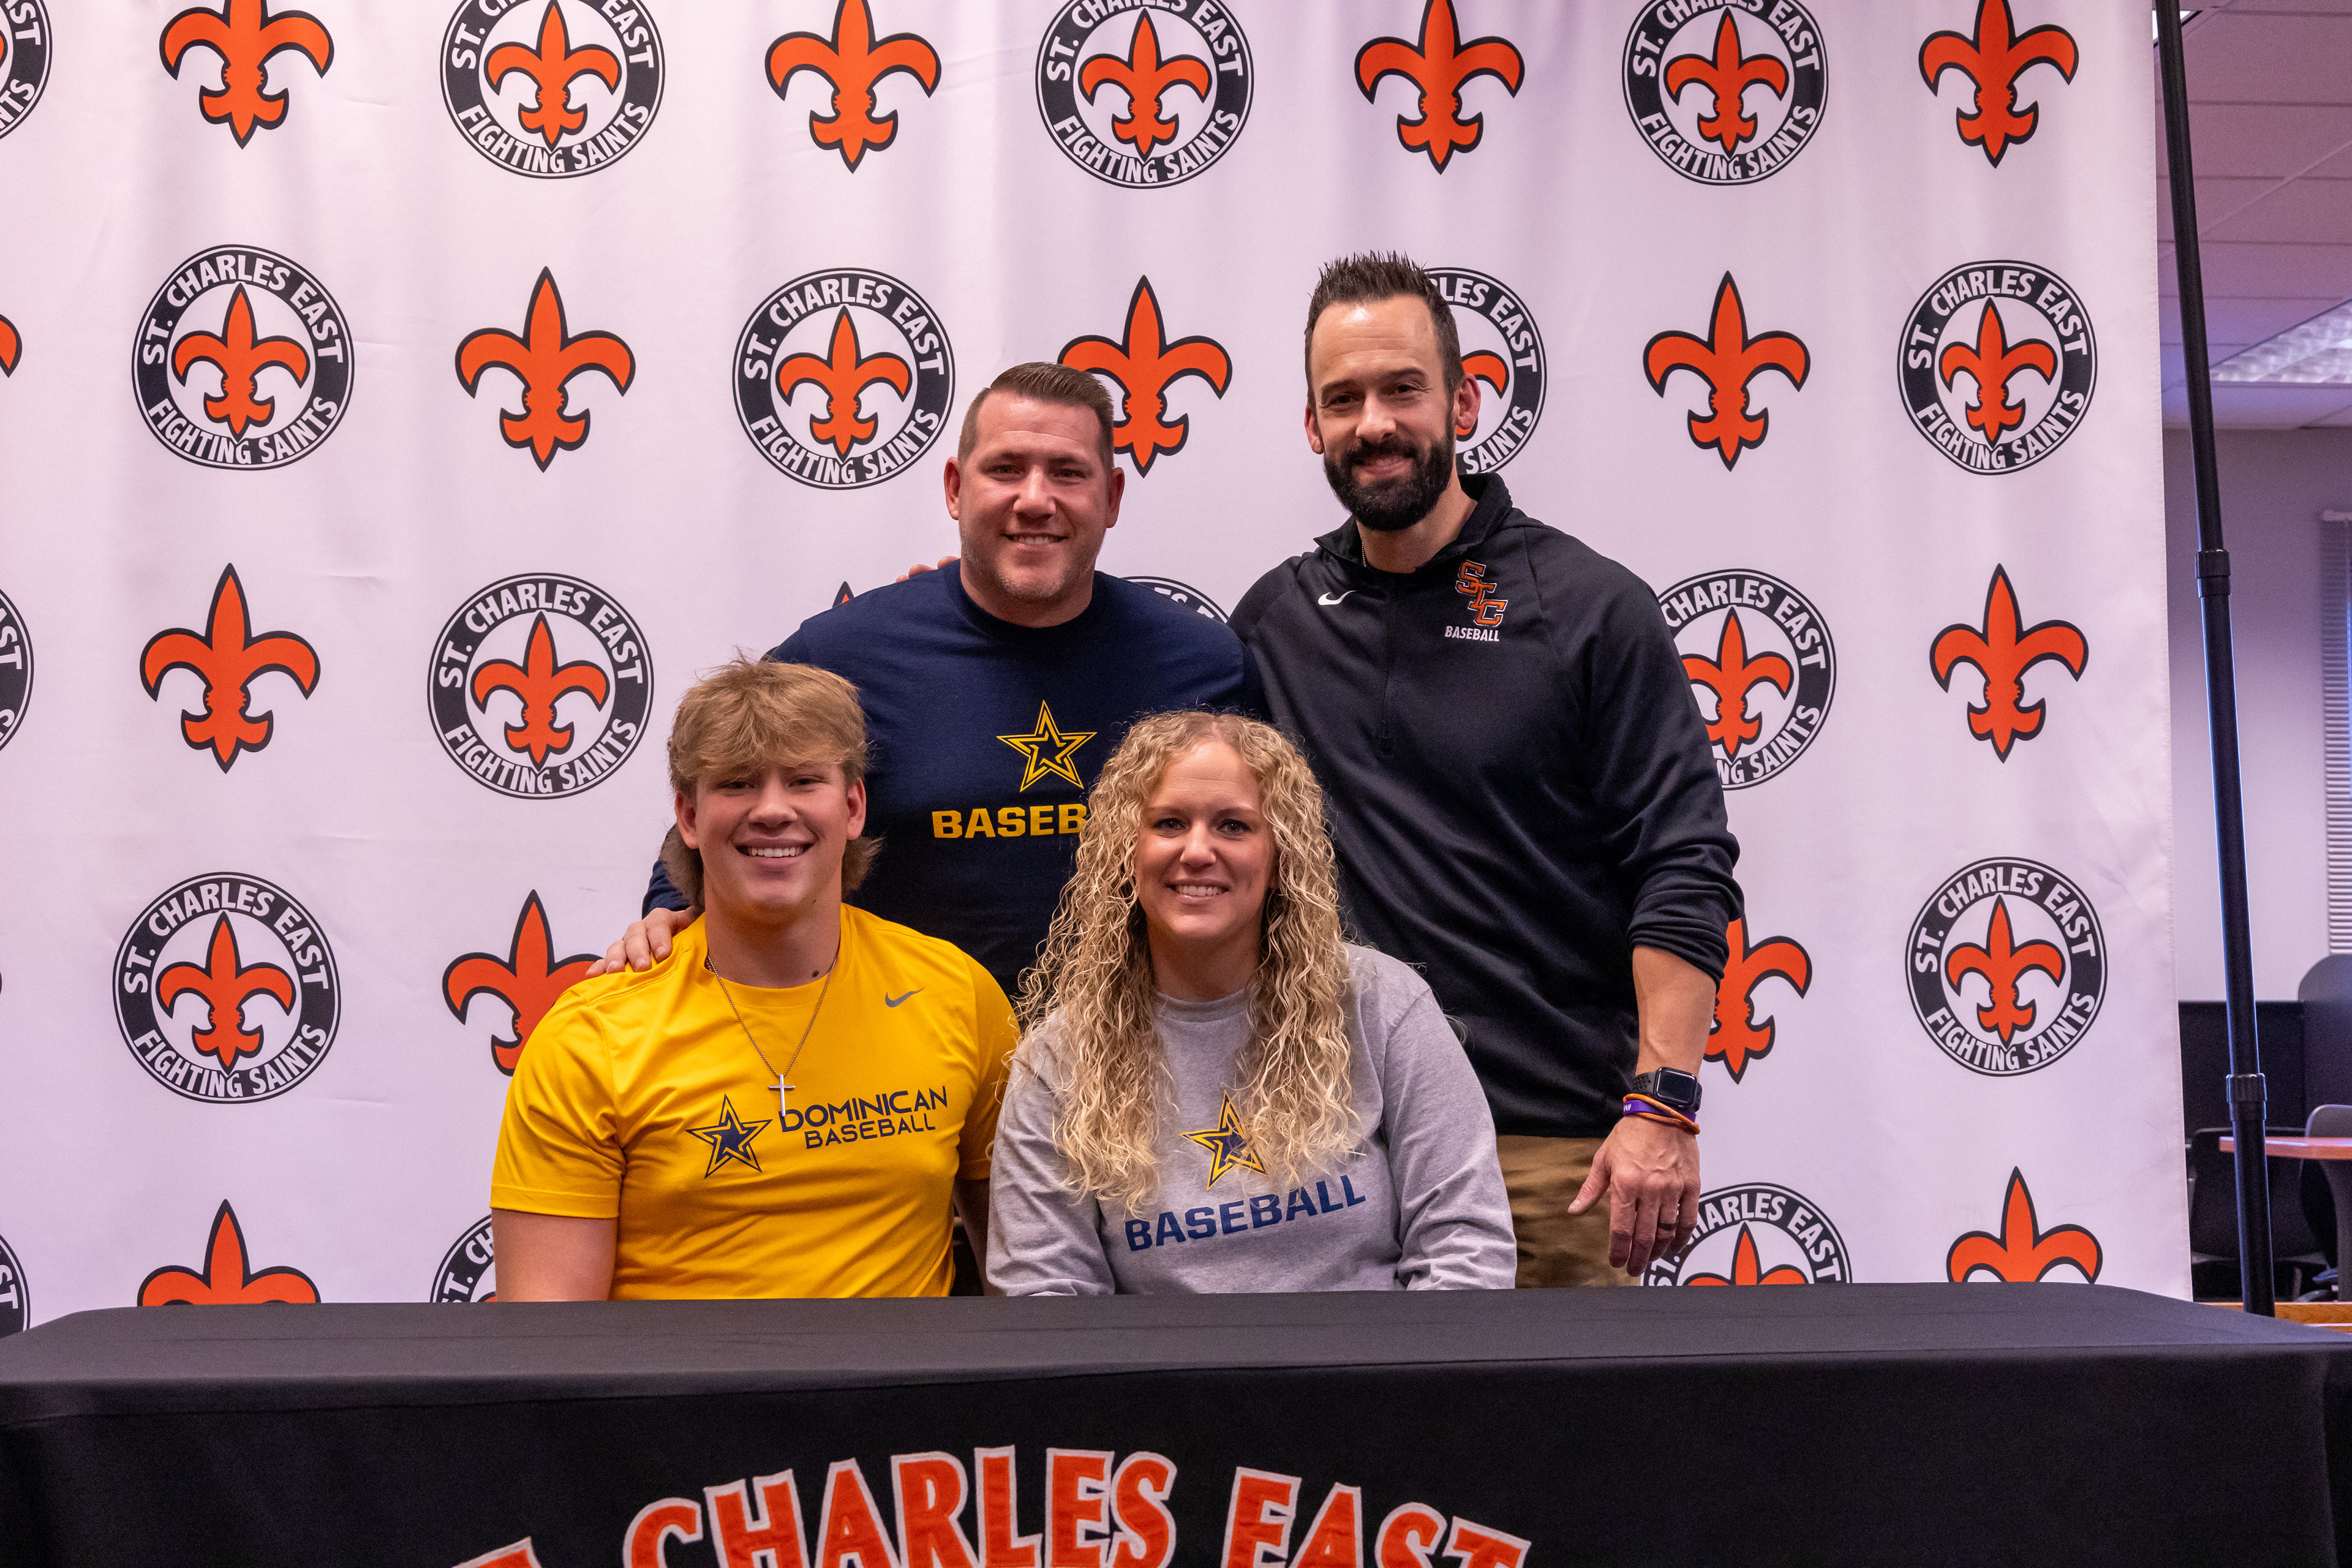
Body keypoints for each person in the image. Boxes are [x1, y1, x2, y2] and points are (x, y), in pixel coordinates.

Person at [1229, 254, 1741, 1286]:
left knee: (1562, 1404)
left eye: (1403, 390)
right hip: (1329, 1158)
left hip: (1547, 1156)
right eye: (1344, 400)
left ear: (1464, 403)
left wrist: (1663, 1105)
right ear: (1312, 425)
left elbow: (1682, 865)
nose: (1375, 424)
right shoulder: (1274, 621)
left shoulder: (1590, 608)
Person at [599, 362, 1262, 1004]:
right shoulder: (841, 656)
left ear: (1111, 497)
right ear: (954, 487)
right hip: (904, 1051)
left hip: (1133, 1049)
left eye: (1068, 472)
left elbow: (1276, 842)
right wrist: (672, 905)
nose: (1036, 500)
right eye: (1006, 469)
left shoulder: (1202, 660)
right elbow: (727, 785)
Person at [491, 658, 1016, 1299]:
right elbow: (550, 1335)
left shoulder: (957, 993)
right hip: (676, 1371)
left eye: (803, 781)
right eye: (737, 784)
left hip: (902, 1371)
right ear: (688, 817)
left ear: (853, 807)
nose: (772, 810)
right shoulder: (589, 1037)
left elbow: (1025, 1282)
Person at [987, 711, 1516, 1294]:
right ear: (1125, 853)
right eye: (1168, 823)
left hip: (1381, 1352)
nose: (1197, 851)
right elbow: (1045, 1295)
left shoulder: (1381, 1005)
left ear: (1281, 859)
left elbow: (1466, 1247)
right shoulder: (1058, 1060)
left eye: (1234, 826)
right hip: (1164, 1359)